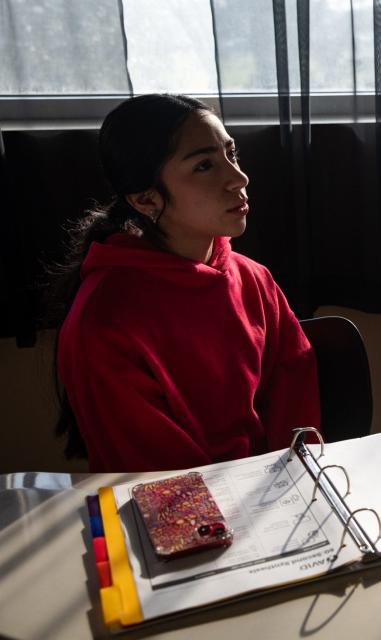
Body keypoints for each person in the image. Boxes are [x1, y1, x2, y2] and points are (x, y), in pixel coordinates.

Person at [51, 94, 322, 472]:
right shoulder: (105, 320)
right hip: (178, 513)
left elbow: (295, 399)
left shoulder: (252, 278)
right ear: (146, 199)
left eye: (232, 154)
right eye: (205, 165)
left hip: (271, 498)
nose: (238, 178)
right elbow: (156, 474)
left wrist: (286, 484)